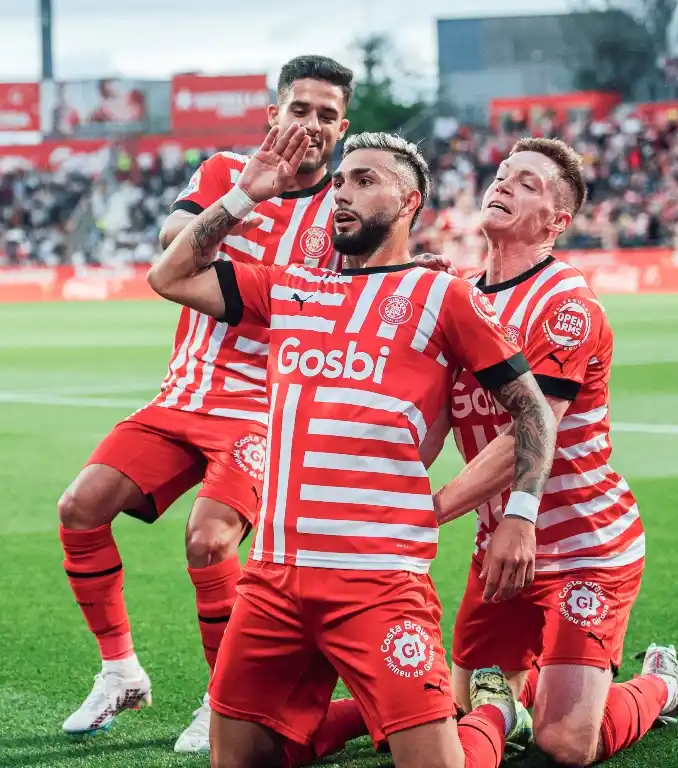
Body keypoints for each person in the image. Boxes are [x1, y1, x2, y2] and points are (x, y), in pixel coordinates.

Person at [147, 124, 558, 768]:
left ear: (409, 202)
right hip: (273, 581)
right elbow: (168, 276)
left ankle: (490, 714)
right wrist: (246, 195)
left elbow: (532, 410)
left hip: (379, 581)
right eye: (339, 180)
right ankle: (377, 717)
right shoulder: (287, 289)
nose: (341, 192)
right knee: (239, 760)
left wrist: (521, 516)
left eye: (364, 180)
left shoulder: (441, 295)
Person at [56, 55, 354, 753]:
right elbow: (170, 246)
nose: (310, 124)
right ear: (273, 113)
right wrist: (249, 196)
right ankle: (120, 670)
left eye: (325, 115)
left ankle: (224, 702)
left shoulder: (344, 200)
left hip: (263, 408)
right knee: (79, 508)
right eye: (299, 109)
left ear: (344, 128)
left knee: (211, 539)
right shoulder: (225, 169)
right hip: (183, 393)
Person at [443, 138, 678, 766]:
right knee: (468, 717)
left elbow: (530, 428)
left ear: (558, 221)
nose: (503, 185)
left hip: (582, 546)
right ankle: (511, 700)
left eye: (527, 183)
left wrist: (426, 510)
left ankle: (660, 684)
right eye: (501, 176)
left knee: (563, 746)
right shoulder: (457, 298)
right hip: (499, 547)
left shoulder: (564, 304)